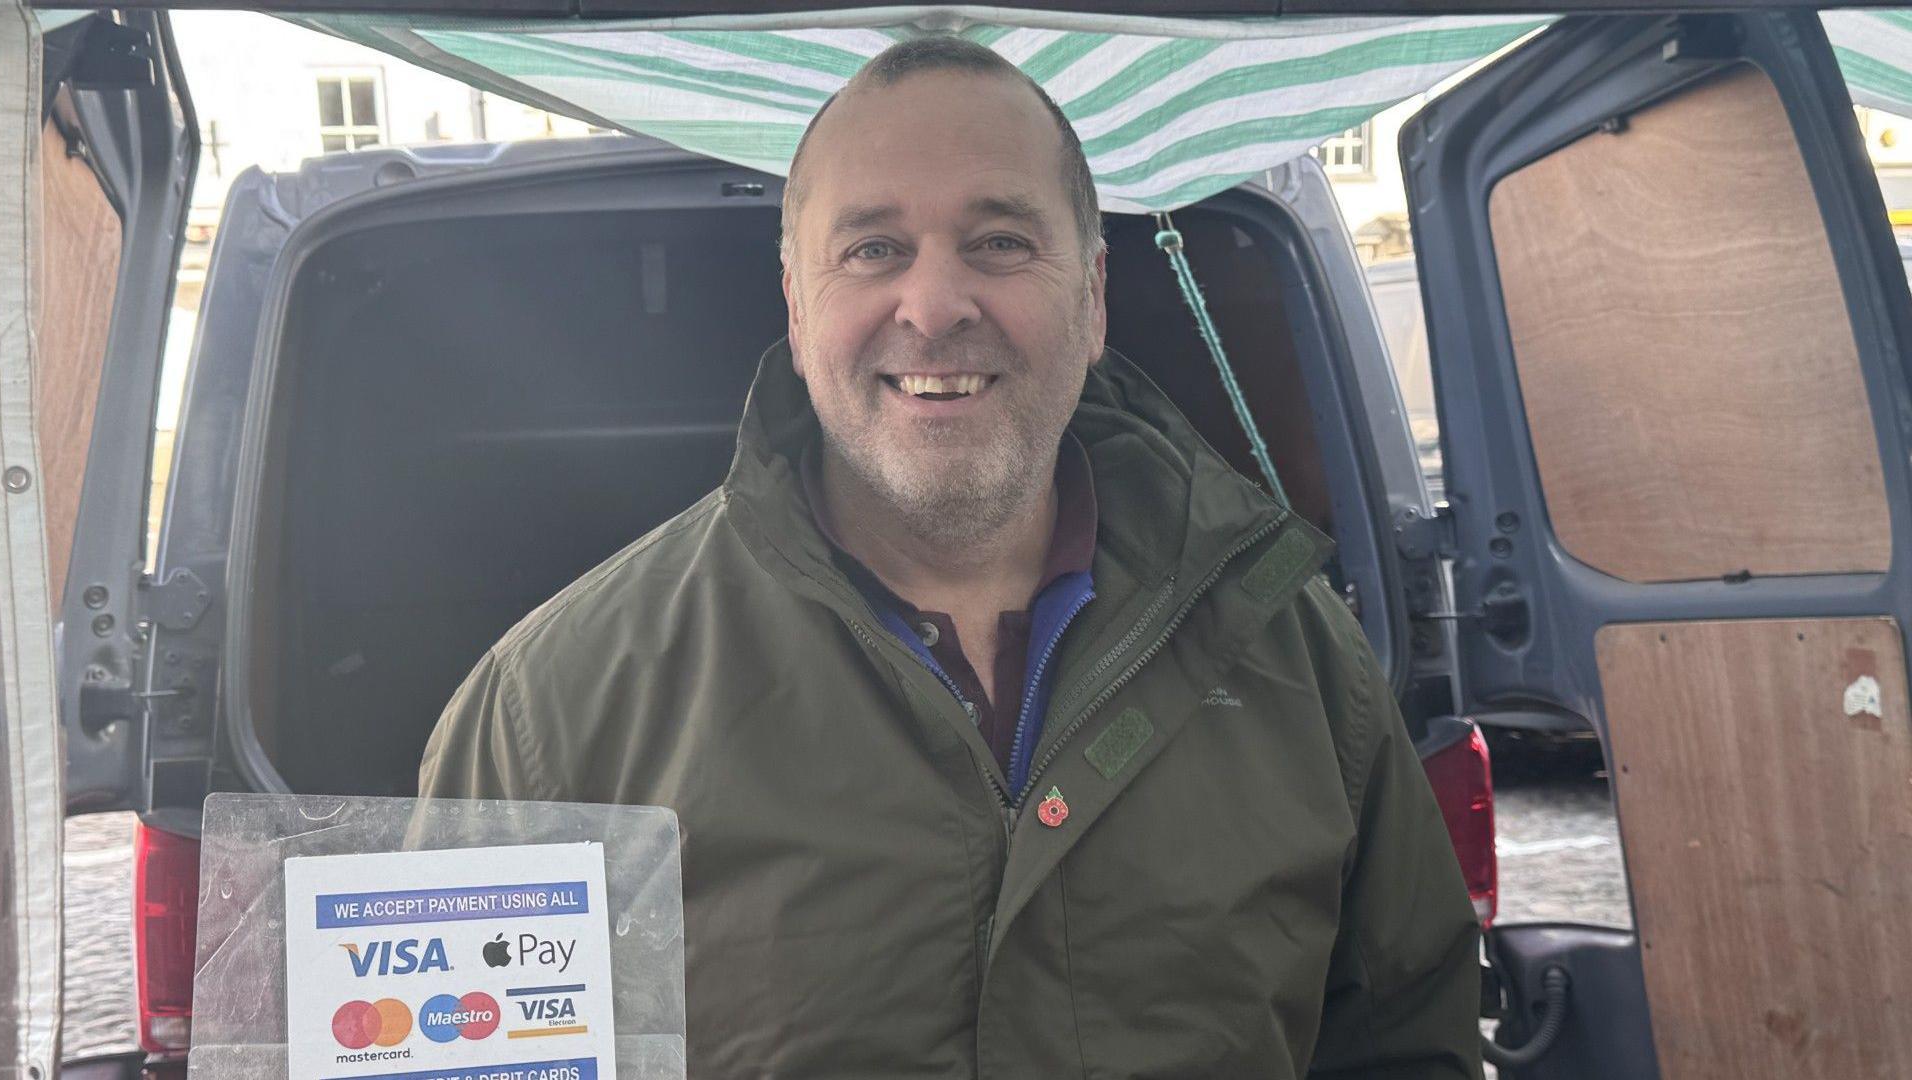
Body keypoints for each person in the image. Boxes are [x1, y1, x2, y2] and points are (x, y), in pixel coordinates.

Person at [419, 35, 1483, 1079]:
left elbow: (1407, 1046)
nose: (933, 309)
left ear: (1096, 297)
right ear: (797, 307)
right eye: (874, 249)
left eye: (1002, 243)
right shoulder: (549, 716)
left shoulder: (1295, 656)